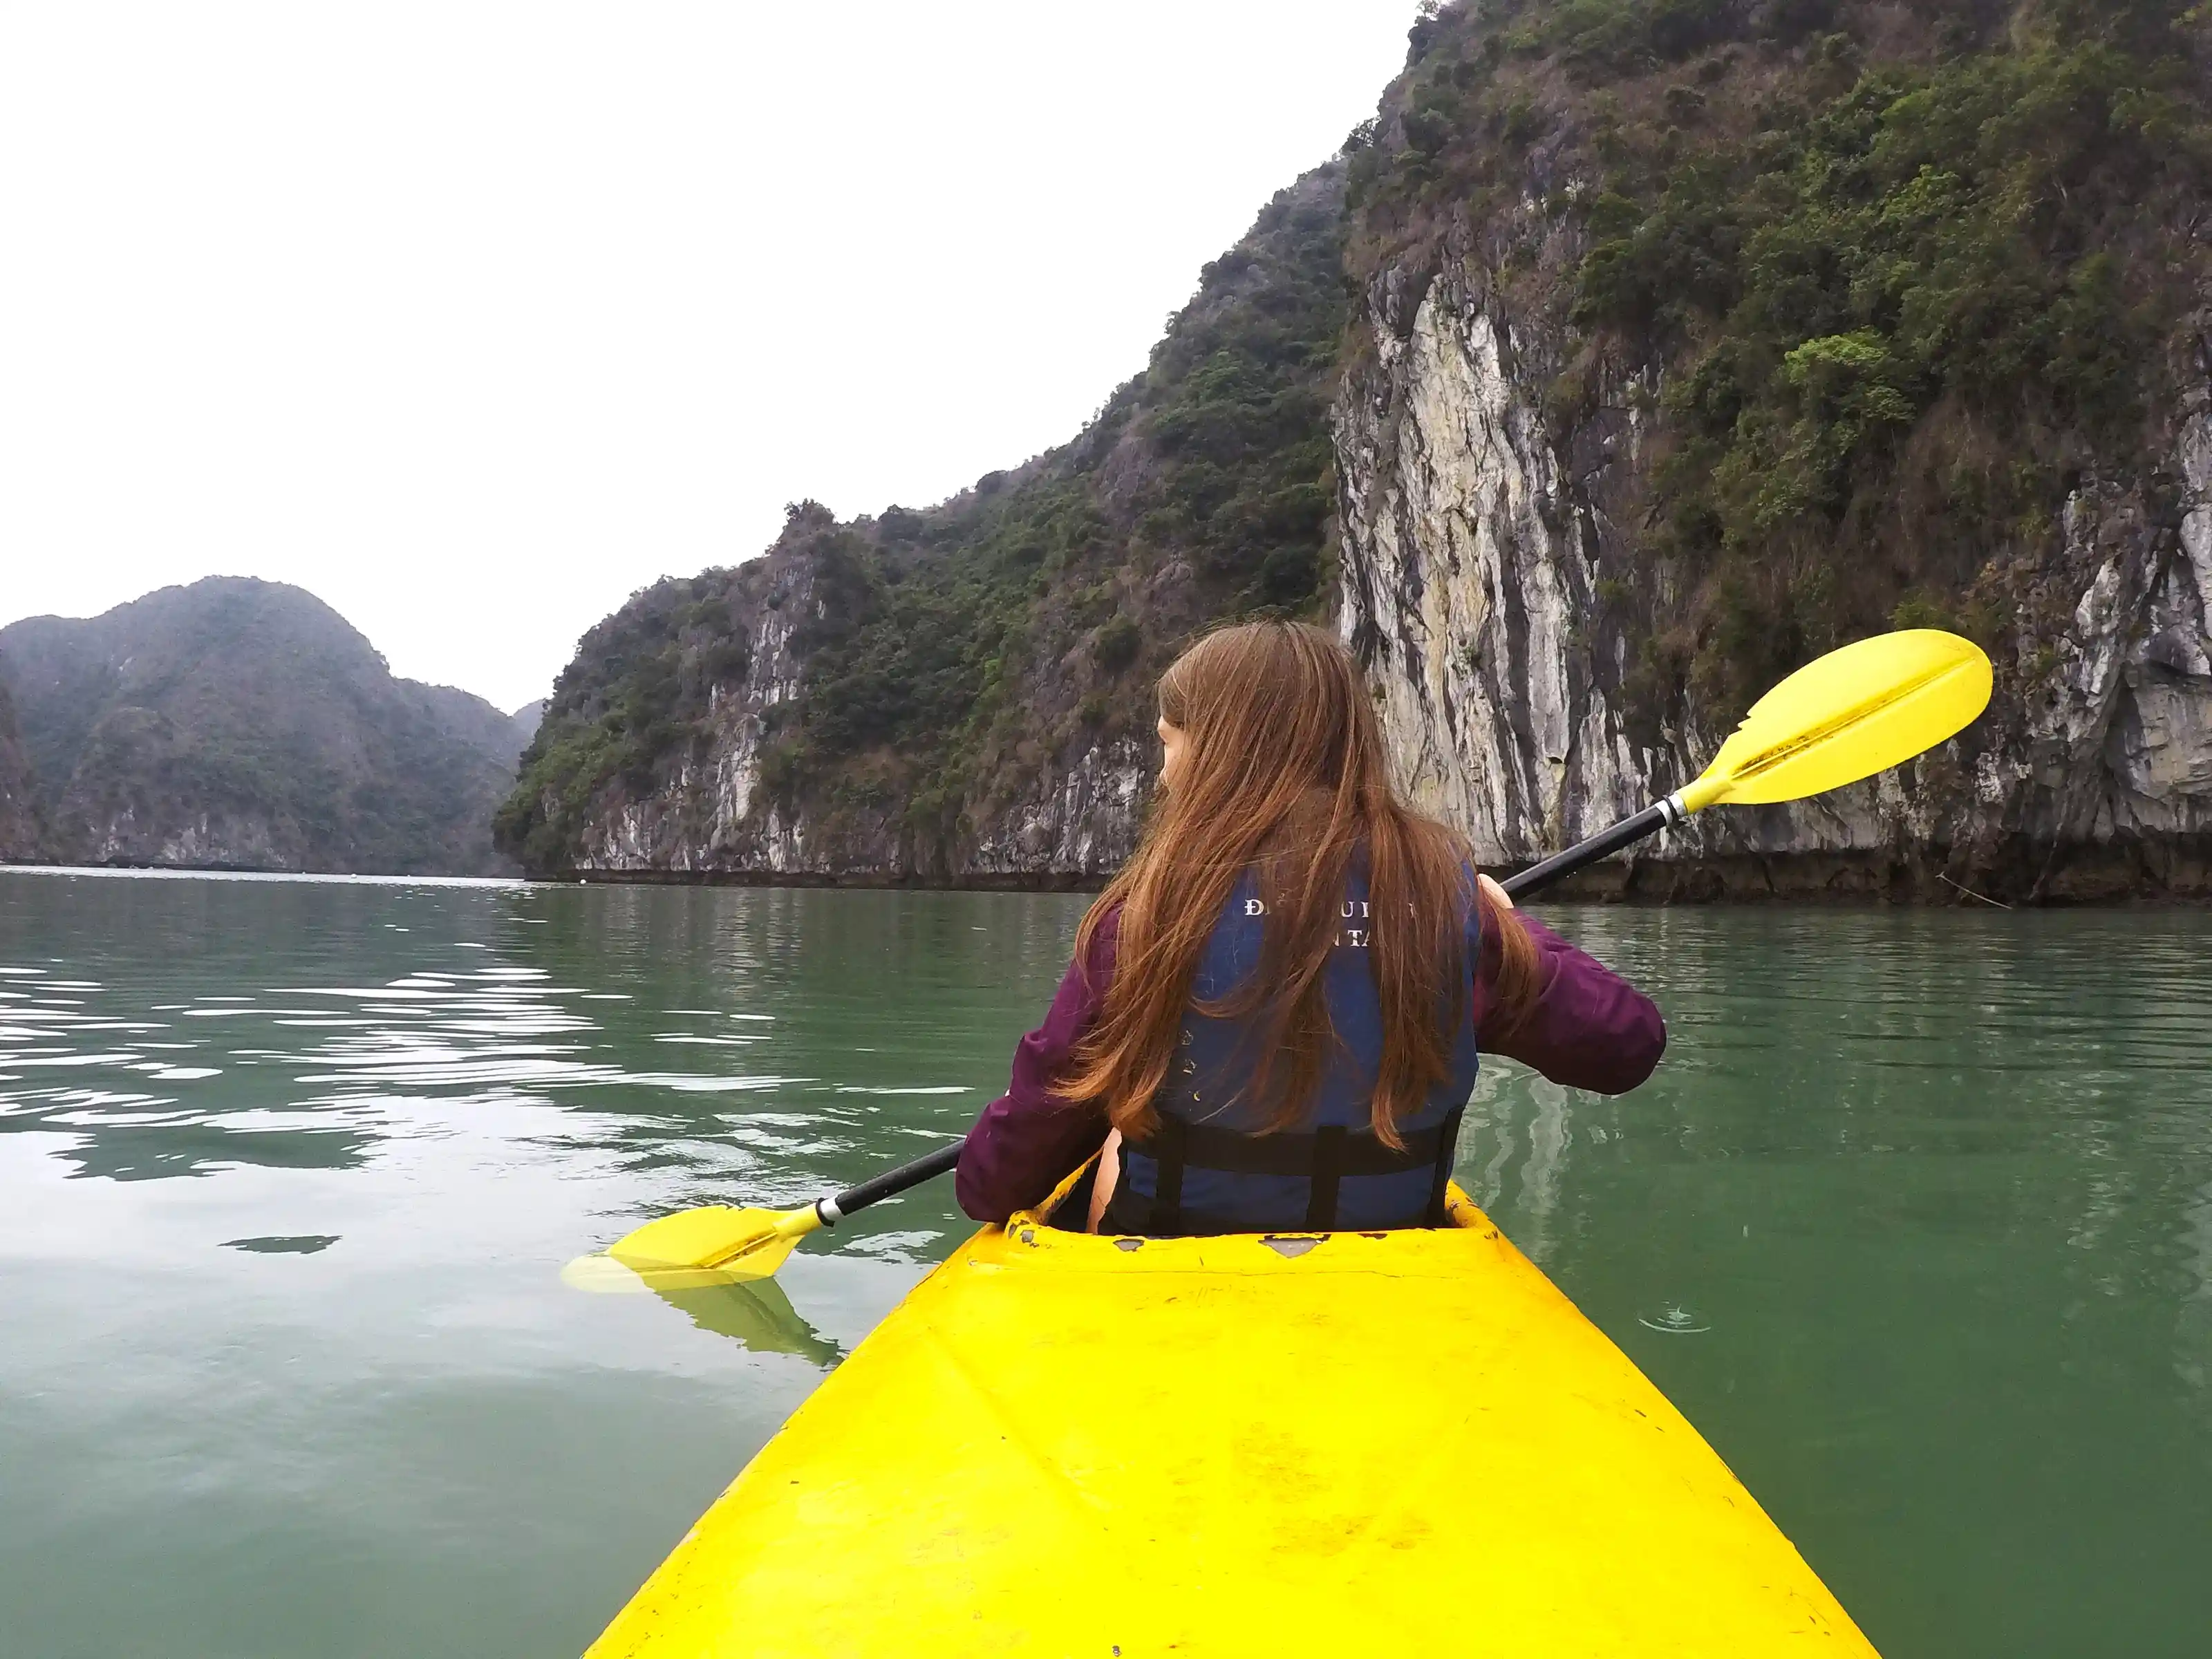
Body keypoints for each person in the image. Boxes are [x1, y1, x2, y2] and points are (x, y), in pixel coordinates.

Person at [955, 620, 1664, 1237]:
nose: (1165, 776)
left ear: (1220, 748)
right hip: (1387, 1263)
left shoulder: (1143, 918)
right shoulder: (1450, 908)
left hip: (1173, 1261)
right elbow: (1626, 1045)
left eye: (1169, 744)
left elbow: (996, 1182)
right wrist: (1509, 931)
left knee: (1113, 1137)